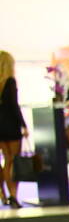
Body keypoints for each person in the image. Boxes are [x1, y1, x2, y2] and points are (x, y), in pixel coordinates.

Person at [0, 50, 26, 208]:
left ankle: (2, 192)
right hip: (11, 125)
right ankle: (14, 195)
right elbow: (14, 106)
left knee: (6, 160)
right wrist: (23, 125)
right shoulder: (10, 82)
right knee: (13, 161)